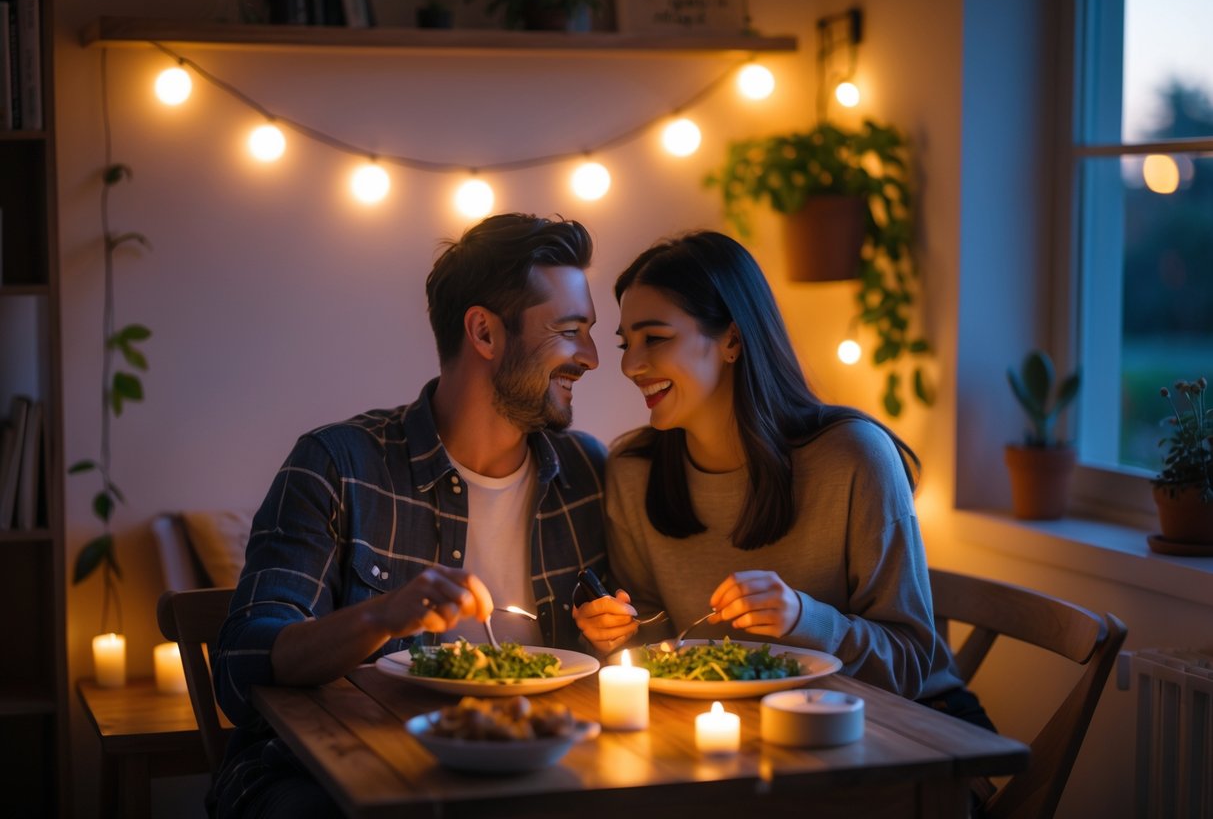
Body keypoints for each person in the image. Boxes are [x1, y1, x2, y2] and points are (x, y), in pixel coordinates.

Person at [211, 213, 608, 818]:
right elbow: (242, 667)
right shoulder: (337, 464)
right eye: (571, 330)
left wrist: (615, 624)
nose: (593, 356)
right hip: (333, 775)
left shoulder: (587, 474)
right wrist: (382, 615)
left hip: (536, 775)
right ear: (484, 332)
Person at [573, 230, 990, 728]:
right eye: (627, 343)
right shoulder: (633, 471)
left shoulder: (853, 457)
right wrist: (611, 632)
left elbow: (910, 662)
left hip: (910, 730)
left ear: (731, 339)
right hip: (756, 731)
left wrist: (801, 617)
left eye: (655, 338)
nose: (629, 364)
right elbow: (648, 634)